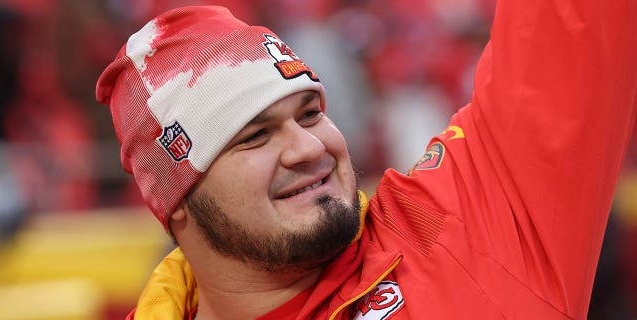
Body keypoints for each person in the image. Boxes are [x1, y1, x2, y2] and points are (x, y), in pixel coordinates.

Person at [95, 1, 637, 319]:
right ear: (179, 201)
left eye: (309, 114)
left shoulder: (462, 233)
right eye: (254, 137)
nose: (309, 148)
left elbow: (573, 23)